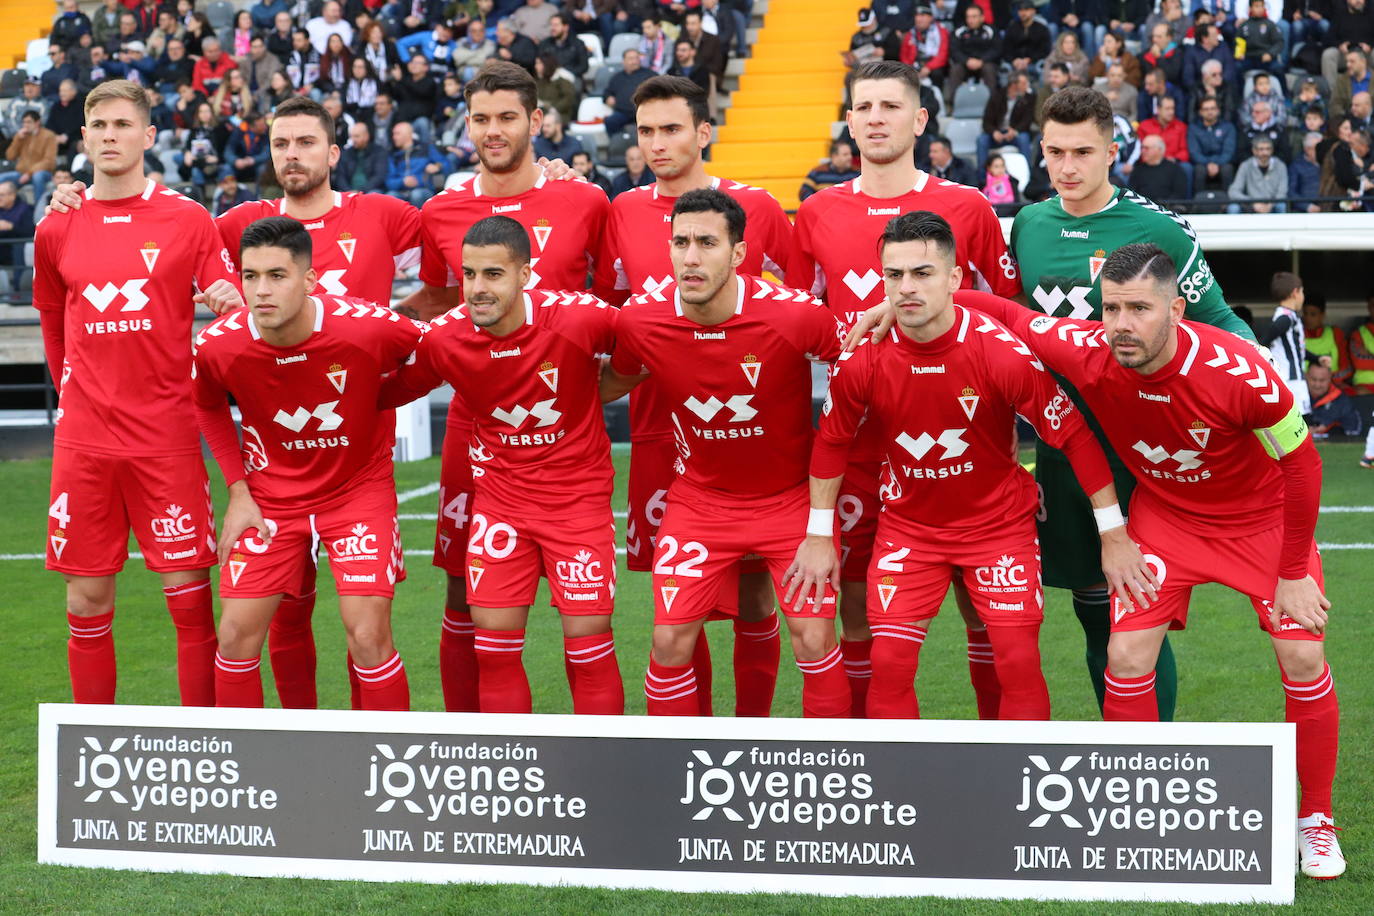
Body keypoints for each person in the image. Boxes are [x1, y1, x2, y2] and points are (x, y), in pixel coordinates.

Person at [948, 243, 1344, 881]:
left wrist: (1294, 569)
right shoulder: (1090, 350)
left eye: (1139, 308)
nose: (1121, 324)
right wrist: (903, 302)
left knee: (1302, 654)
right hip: (1169, 519)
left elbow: (1302, 465)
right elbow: (1006, 313)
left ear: (1177, 308)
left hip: (1260, 523)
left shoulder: (1239, 369)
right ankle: (1136, 804)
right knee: (1126, 656)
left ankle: (1316, 821)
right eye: (1111, 308)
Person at [46, 93, 427, 709]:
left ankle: (372, 762)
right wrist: (69, 195)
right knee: (275, 619)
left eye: (306, 142)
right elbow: (183, 267)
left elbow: (461, 257)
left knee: (365, 630)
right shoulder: (224, 221)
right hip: (272, 467)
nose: (293, 154)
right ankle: (278, 747)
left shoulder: (381, 217)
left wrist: (377, 382)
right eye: (281, 143)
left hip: (357, 465)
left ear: (334, 151)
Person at [789, 210, 1144, 720]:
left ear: (955, 278)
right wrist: (819, 534)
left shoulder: (1002, 354)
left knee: (1017, 661)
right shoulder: (863, 355)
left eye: (923, 273)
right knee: (888, 663)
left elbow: (1072, 435)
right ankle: (896, 791)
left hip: (997, 529)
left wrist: (1113, 533)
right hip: (909, 530)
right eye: (894, 275)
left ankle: (1022, 788)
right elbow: (832, 442)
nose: (906, 288)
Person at [1007, 87, 1255, 721]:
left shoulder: (1156, 229)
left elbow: (1220, 319)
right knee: (1092, 606)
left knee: (1135, 609)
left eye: (1083, 152)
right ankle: (1121, 746)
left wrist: (1259, 403)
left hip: (1143, 444)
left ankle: (1154, 755)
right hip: (1064, 444)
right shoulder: (1029, 225)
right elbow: (1014, 328)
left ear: (1112, 153)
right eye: (1055, 152)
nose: (1067, 167)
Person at [788, 61, 1023, 719]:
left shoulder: (968, 206)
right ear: (850, 120)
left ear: (919, 120)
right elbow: (797, 318)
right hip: (860, 449)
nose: (876, 119)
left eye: (891, 106)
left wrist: (913, 308)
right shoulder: (816, 213)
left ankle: (995, 761)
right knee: (861, 607)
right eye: (864, 107)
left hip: (967, 445)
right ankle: (874, 766)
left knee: (989, 619)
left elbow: (1010, 314)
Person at [394, 61, 614, 713]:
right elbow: (436, 300)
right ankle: (472, 747)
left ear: (537, 121)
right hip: (478, 426)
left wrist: (590, 392)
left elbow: (612, 308)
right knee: (466, 592)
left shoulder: (585, 200)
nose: (494, 131)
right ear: (467, 125)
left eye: (508, 117)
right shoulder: (440, 210)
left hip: (566, 421)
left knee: (588, 622)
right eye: (481, 119)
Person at [602, 189, 850, 718]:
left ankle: (822, 770)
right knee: (669, 645)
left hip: (789, 502)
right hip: (700, 505)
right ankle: (680, 776)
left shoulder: (795, 315)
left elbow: (856, 372)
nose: (690, 257)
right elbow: (610, 381)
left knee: (813, 637)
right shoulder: (640, 321)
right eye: (680, 242)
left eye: (707, 243)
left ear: (738, 254)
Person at [33, 80, 233, 706]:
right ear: (84, 137)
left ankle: (208, 746)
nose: (111, 136)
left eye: (124, 126)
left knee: (190, 602)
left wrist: (226, 299)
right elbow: (50, 317)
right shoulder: (57, 227)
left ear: (148, 137)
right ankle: (98, 746)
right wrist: (70, 392)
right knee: (85, 601)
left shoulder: (188, 219)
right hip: (85, 442)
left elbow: (227, 299)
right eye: (101, 126)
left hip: (166, 438)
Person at [607, 75, 797, 717]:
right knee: (679, 601)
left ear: (704, 132)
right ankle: (694, 739)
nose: (657, 144)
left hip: (750, 433)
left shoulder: (758, 208)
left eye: (672, 129)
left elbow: (790, 311)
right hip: (660, 428)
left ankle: (752, 733)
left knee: (752, 598)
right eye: (646, 132)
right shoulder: (621, 211)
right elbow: (616, 318)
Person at [193, 217, 422, 711]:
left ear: (310, 280)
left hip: (357, 493)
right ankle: (244, 774)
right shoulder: (220, 344)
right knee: (233, 637)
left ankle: (385, 766)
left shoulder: (367, 327)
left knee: (366, 636)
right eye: (249, 277)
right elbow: (207, 404)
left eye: (277, 275)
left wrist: (380, 398)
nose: (261, 291)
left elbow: (433, 355)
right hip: (270, 499)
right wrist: (237, 490)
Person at [1260, 271, 1321, 415]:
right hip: (1289, 380)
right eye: (1302, 291)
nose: (1303, 296)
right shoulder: (1285, 318)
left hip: (1294, 379)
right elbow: (1265, 340)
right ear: (1295, 293)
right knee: (1299, 422)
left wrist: (1317, 359)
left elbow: (1296, 349)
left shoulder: (1289, 316)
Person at [945, 4, 1001, 105]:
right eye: (968, 17)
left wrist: (982, 60)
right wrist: (966, 60)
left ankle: (992, 105)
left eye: (974, 17)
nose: (970, 20)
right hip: (965, 63)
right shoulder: (959, 31)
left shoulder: (990, 30)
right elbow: (954, 50)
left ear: (982, 17)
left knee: (989, 69)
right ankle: (953, 104)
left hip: (985, 63)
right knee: (955, 69)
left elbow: (996, 49)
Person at [978, 71, 1035, 167]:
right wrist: (994, 132)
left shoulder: (1029, 98)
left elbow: (1027, 120)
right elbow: (986, 121)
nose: (1027, 86)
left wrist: (1015, 131)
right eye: (1024, 83)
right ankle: (983, 178)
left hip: (1015, 134)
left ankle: (1028, 175)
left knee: (1024, 138)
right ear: (1013, 85)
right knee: (981, 140)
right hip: (997, 134)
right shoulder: (997, 96)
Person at [1, 111, 59, 206]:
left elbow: (49, 161)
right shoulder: (22, 135)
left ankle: (39, 209)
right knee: (2, 178)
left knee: (38, 176)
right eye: (24, 122)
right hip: (21, 173)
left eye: (29, 122)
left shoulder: (48, 135)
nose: (25, 125)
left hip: (43, 172)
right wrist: (18, 139)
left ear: (37, 123)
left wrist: (29, 173)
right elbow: (10, 156)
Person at [1187, 96, 1236, 193]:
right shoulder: (1193, 128)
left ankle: (1228, 204)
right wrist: (1208, 163)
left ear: (1218, 110)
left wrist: (1216, 163)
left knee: (1227, 169)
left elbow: (1229, 151)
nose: (1210, 112)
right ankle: (1198, 204)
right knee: (1199, 170)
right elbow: (1194, 152)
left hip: (1222, 162)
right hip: (1202, 163)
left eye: (1213, 108)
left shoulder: (1228, 127)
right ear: (1200, 112)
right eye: (1206, 109)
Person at [1302, 295, 1352, 388]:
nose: (1308, 318)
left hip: (1334, 386)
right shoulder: (1296, 336)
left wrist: (1327, 380)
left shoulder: (1335, 333)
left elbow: (1347, 368)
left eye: (1313, 314)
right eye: (1305, 313)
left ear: (1322, 315)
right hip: (1305, 388)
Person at [1229, 135, 1289, 212]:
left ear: (1272, 150)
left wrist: (1270, 204)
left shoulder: (1280, 165)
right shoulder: (1246, 165)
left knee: (1281, 205)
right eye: (1261, 149)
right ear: (1254, 151)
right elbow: (1233, 191)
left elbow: (1282, 192)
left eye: (1268, 149)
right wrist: (1253, 202)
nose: (1265, 152)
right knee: (1233, 207)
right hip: (1251, 205)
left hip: (1273, 205)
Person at [1305, 363, 1364, 436]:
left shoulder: (1341, 400)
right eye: (1314, 379)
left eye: (1322, 380)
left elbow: (1354, 431)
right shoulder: (1296, 396)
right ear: (1306, 376)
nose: (1317, 385)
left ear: (1330, 377)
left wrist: (1326, 426)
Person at [604, 48, 653, 134]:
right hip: (622, 112)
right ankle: (619, 143)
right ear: (623, 61)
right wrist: (608, 98)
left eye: (637, 58)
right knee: (610, 121)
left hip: (644, 112)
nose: (634, 61)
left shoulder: (650, 75)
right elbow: (607, 92)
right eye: (631, 59)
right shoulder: (617, 77)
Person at [899, 5, 949, 85]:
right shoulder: (911, 33)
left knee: (937, 73)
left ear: (931, 17)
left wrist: (929, 67)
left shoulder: (940, 32)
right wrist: (909, 69)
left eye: (922, 16)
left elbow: (942, 55)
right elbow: (904, 56)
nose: (918, 19)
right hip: (914, 65)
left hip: (932, 65)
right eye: (917, 16)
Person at [334, 120, 388, 191]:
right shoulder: (346, 153)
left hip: (371, 191)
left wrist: (361, 191)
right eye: (351, 136)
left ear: (366, 136)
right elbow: (340, 177)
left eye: (357, 136)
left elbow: (379, 176)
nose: (353, 140)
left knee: (375, 194)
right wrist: (348, 191)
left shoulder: (379, 151)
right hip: (349, 192)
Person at [1004, 0, 1053, 77]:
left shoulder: (1041, 28)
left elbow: (1045, 49)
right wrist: (1014, 60)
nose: (1023, 13)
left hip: (1034, 63)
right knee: (1005, 70)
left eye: (1026, 10)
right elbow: (1006, 48)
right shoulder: (1012, 27)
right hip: (1015, 64)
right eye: (1020, 10)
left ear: (1033, 11)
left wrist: (1030, 59)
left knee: (1043, 68)